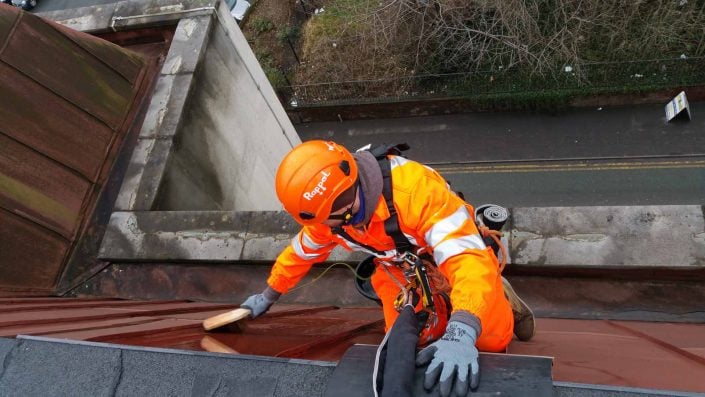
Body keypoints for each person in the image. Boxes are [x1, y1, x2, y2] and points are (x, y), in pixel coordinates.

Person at [241, 140, 535, 396]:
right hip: (399, 269)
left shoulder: (415, 191)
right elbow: (300, 253)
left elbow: (466, 258)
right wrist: (268, 295)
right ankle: (460, 303)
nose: (325, 227)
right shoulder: (328, 220)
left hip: (454, 255)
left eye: (330, 218)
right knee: (409, 341)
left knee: (489, 338)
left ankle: (502, 296)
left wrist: (462, 331)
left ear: (343, 205)